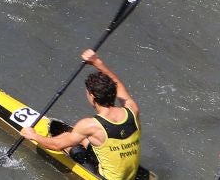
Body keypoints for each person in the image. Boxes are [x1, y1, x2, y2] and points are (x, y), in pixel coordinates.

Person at [17, 49, 143, 180]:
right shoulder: (132, 109)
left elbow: (56, 145)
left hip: (105, 178)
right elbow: (119, 85)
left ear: (92, 96)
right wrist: (96, 62)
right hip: (130, 175)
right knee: (81, 138)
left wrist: (33, 136)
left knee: (67, 141)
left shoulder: (90, 125)